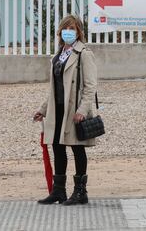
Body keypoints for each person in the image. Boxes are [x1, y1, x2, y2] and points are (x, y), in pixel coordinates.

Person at [33, 14, 98, 206]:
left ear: (79, 31)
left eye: (73, 28)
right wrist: (43, 110)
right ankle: (58, 191)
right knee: (57, 147)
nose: (68, 31)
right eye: (65, 28)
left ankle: (80, 192)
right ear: (60, 31)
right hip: (57, 109)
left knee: (77, 149)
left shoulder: (84, 54)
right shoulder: (58, 55)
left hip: (74, 110)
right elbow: (54, 87)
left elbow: (90, 85)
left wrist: (83, 110)